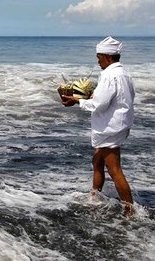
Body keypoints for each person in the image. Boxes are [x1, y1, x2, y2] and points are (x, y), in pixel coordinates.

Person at [61, 36, 136, 216]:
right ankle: (95, 197)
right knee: (97, 161)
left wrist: (78, 100)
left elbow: (99, 104)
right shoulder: (124, 74)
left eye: (99, 57)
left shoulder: (109, 75)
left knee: (114, 169)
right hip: (119, 123)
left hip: (110, 127)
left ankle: (130, 211)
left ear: (108, 57)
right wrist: (90, 96)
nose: (98, 60)